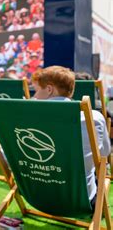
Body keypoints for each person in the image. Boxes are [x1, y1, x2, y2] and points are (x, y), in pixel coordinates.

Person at [32, 66, 111, 205]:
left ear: (50, 90)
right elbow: (104, 154)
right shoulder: (94, 118)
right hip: (80, 200)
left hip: (36, 195)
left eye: (37, 90)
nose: (35, 96)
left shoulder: (26, 117)